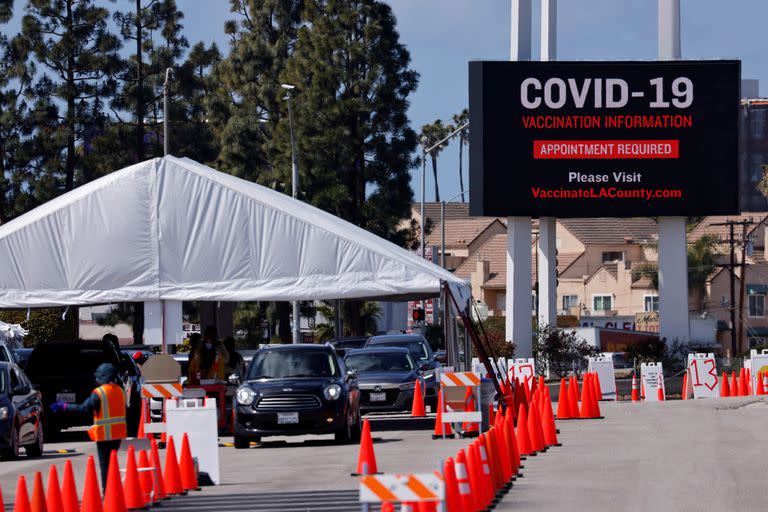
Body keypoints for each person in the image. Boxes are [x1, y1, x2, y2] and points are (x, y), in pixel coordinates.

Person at [50, 363, 126, 490]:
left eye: (98, 377)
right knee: (113, 464)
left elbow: (84, 408)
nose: (96, 380)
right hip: (118, 435)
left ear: (102, 377)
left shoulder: (100, 393)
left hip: (104, 436)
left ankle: (108, 494)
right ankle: (115, 491)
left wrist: (64, 406)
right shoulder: (120, 391)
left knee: (105, 466)